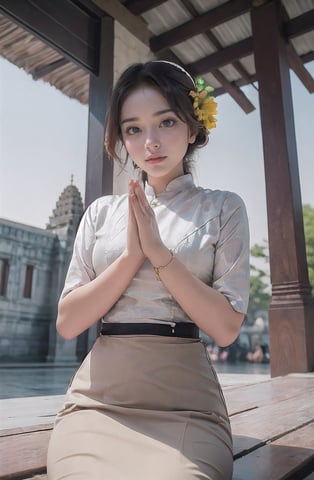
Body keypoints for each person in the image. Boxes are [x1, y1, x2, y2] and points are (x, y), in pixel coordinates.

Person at [47, 60, 250, 480]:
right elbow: (68, 323)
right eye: (133, 129)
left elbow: (226, 329)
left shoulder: (223, 208)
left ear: (193, 129)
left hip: (187, 405)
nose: (150, 142)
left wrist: (159, 254)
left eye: (167, 122)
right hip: (98, 402)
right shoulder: (101, 213)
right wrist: (129, 259)